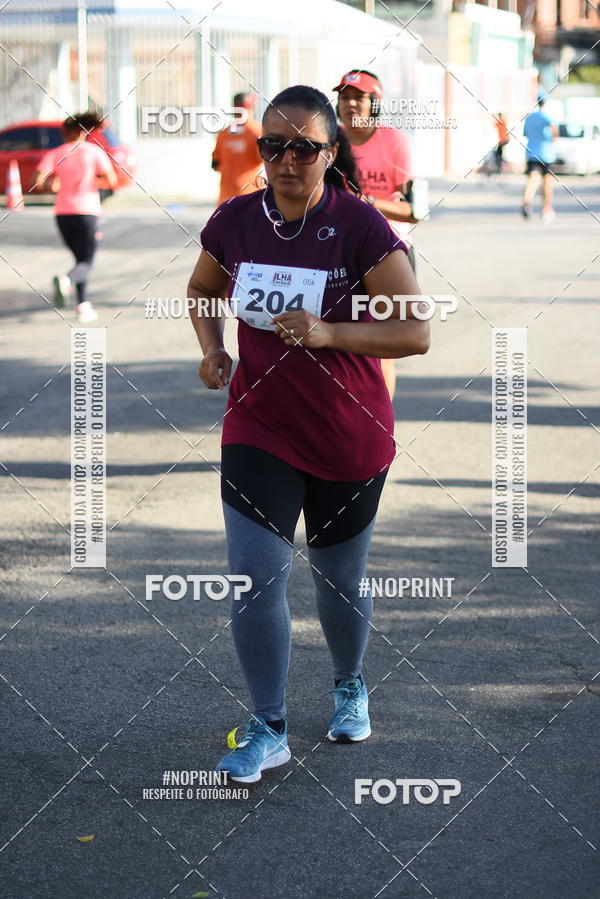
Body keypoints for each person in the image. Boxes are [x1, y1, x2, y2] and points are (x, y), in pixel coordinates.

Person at [187, 84, 429, 784]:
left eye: (303, 147)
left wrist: (330, 332)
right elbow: (202, 290)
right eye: (273, 145)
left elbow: (414, 330)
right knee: (256, 578)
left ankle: (349, 682)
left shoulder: (360, 229)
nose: (286, 160)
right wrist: (211, 349)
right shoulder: (236, 220)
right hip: (259, 425)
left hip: (347, 432)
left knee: (338, 577)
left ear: (330, 153)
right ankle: (268, 726)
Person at [333, 69, 418, 398]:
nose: (350, 104)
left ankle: (380, 424)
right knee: (336, 343)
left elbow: (415, 211)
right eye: (344, 97)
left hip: (387, 253)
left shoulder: (395, 141)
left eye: (358, 97)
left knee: (384, 347)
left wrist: (363, 203)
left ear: (376, 104)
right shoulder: (330, 141)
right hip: (337, 253)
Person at [34, 111, 117, 322]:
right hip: (87, 211)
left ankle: (82, 305)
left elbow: (37, 181)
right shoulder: (93, 152)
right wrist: (96, 186)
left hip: (62, 213)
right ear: (83, 132)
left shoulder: (55, 153)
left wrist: (51, 185)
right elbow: (111, 180)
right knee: (86, 261)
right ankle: (67, 281)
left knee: (80, 259)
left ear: (68, 132)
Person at [211, 92, 263, 205]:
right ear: (250, 108)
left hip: (226, 195)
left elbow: (215, 164)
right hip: (251, 195)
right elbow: (263, 159)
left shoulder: (223, 133)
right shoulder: (258, 132)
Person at [522, 95, 558, 222]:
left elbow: (525, 133)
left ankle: (527, 203)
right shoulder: (546, 116)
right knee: (547, 182)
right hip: (546, 154)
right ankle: (546, 208)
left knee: (532, 179)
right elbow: (554, 130)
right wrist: (553, 140)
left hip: (531, 152)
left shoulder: (530, 117)